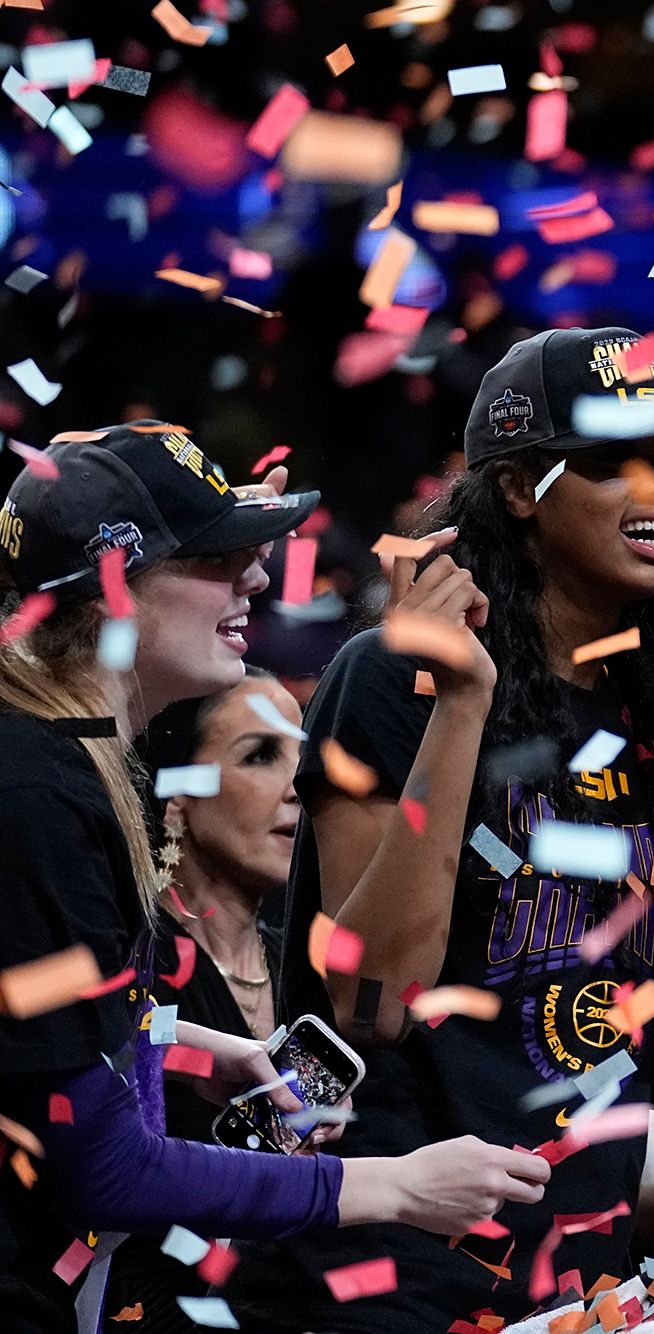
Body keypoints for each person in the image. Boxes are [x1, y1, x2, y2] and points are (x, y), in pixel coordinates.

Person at [233, 329, 654, 1331]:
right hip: (396, 1264)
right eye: (609, 460)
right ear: (517, 489)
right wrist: (463, 704)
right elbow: (372, 993)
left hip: (587, 1271)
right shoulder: (393, 677)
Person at [0, 422, 548, 1333]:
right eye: (217, 559)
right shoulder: (34, 795)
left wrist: (191, 1050)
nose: (257, 579)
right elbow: (100, 1170)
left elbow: (41, 1041)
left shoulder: (64, 762)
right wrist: (392, 1186)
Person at [107, 670, 305, 1333]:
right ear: (179, 796)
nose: (299, 786)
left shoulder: (304, 964)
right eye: (261, 755)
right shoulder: (132, 962)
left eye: (303, 755)